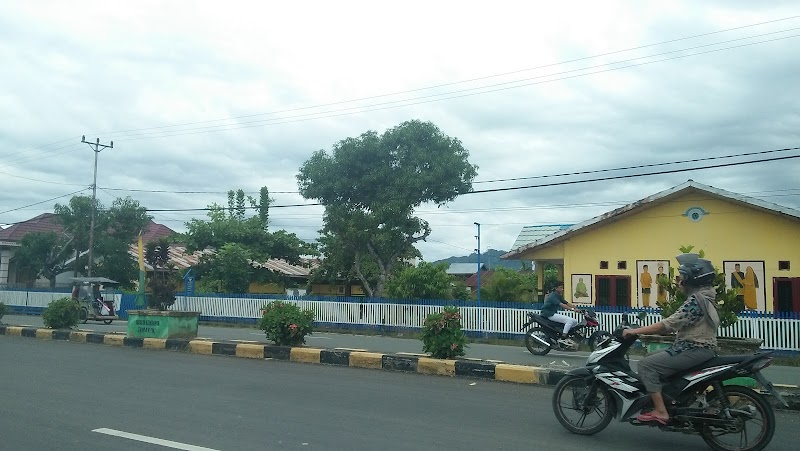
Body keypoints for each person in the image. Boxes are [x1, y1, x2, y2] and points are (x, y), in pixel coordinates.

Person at [623, 254, 719, 425]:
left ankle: (661, 412)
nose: (678, 282)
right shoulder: (707, 298)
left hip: (693, 349)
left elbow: (668, 324)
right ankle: (671, 402)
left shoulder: (696, 301)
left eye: (681, 278)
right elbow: (681, 325)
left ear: (691, 281)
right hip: (698, 349)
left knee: (646, 365)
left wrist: (635, 331)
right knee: (654, 361)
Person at [540, 281, 581, 347]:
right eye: (560, 288)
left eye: (562, 287)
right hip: (549, 314)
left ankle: (568, 335)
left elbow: (566, 303)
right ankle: (563, 338)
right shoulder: (552, 296)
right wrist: (573, 310)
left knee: (575, 321)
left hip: (553, 313)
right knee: (569, 321)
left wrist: (577, 308)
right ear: (556, 288)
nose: (562, 289)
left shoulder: (558, 295)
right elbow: (561, 304)